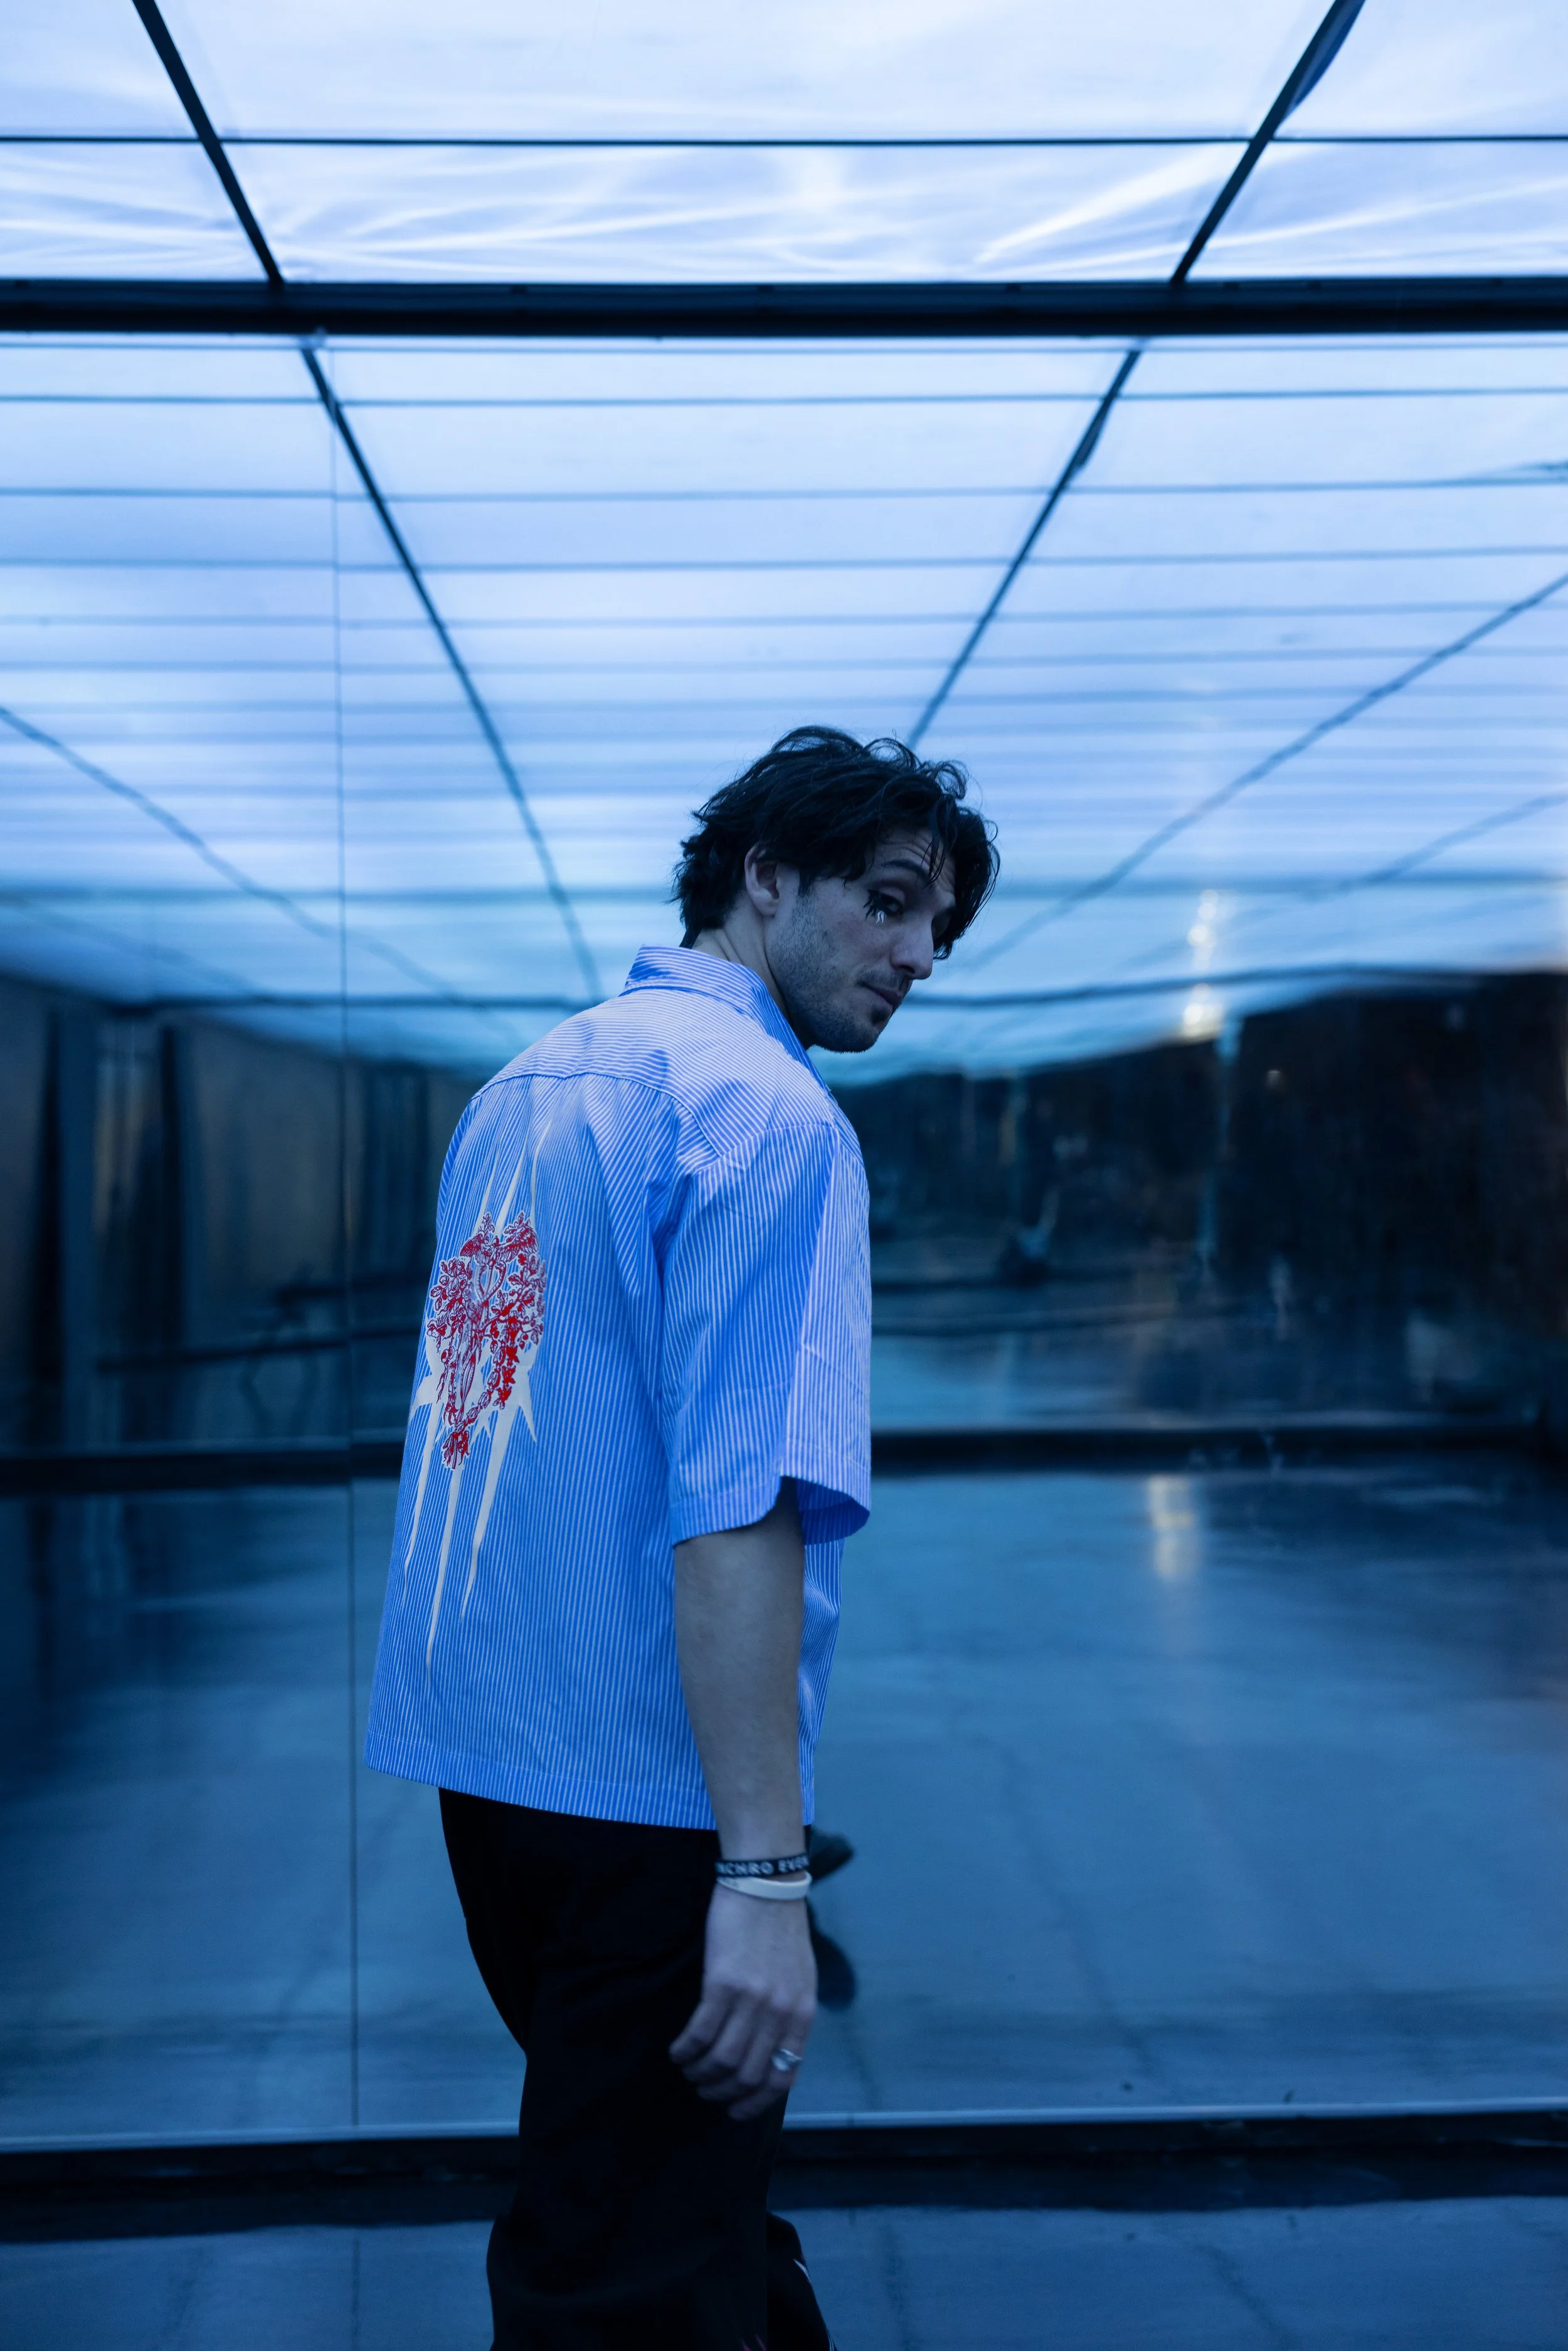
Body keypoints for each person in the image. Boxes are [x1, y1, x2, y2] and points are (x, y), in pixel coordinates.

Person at [364, 726, 997, 2349]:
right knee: (621, 2281)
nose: (917, 952)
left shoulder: (524, 1089)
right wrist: (764, 1871)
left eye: (937, 925)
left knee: (678, 2222)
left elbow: (484, 1436)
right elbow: (737, 1509)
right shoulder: (767, 1121)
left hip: (494, 1778)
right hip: (645, 1804)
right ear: (759, 877)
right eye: (887, 898)